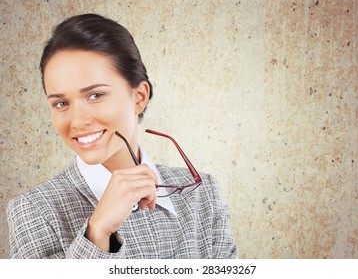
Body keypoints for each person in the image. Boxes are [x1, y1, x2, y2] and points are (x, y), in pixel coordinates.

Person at [7, 13, 238, 259]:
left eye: (95, 95)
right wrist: (96, 233)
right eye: (61, 103)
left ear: (139, 97)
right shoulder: (34, 211)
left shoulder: (203, 194)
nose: (77, 121)